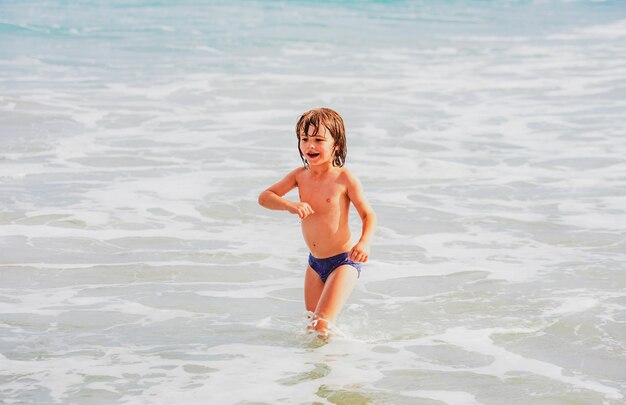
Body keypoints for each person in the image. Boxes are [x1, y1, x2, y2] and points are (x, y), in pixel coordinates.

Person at [258, 107, 376, 337]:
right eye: (305, 139)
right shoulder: (299, 176)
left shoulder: (344, 177)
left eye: (319, 140)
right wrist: (290, 205)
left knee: (322, 325)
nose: (310, 145)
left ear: (337, 145)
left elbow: (368, 215)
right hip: (314, 265)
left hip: (344, 261)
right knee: (313, 330)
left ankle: (340, 361)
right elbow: (265, 197)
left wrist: (365, 243)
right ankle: (321, 370)